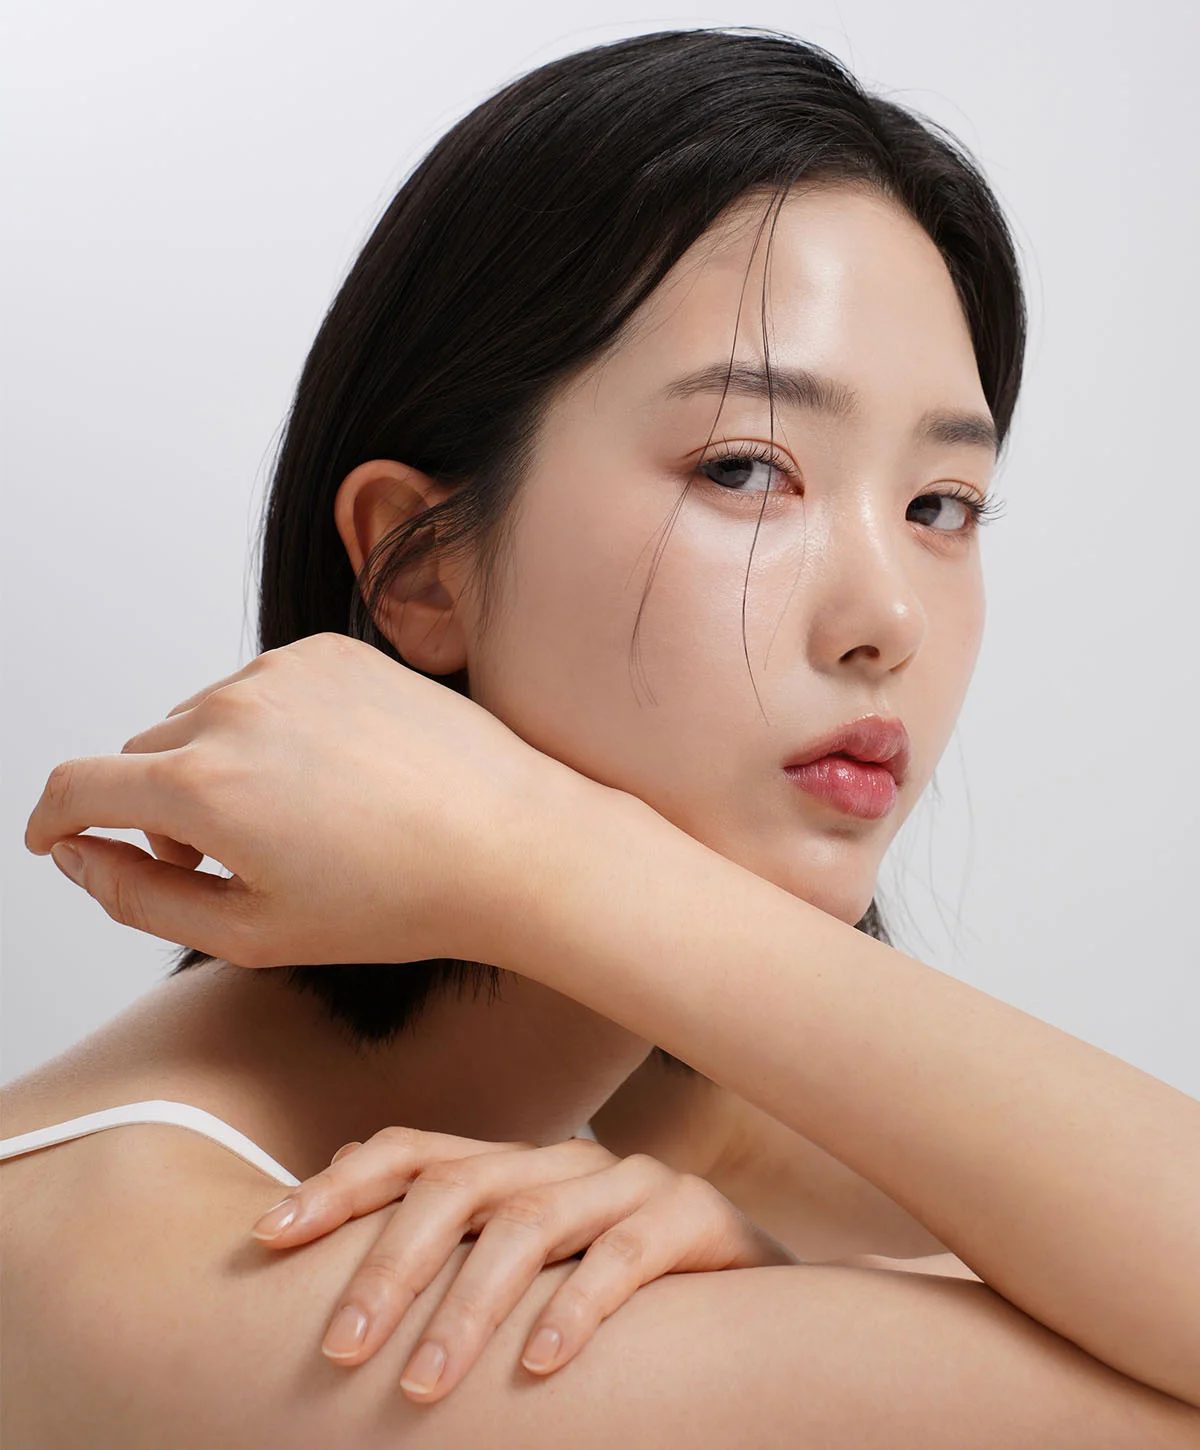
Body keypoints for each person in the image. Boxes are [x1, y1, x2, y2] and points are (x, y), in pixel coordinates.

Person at [4, 26, 1199, 1449]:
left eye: (942, 504)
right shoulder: (141, 1273)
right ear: (420, 568)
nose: (886, 616)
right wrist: (545, 855)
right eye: (747, 468)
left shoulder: (663, 1118)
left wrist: (766, 1260)